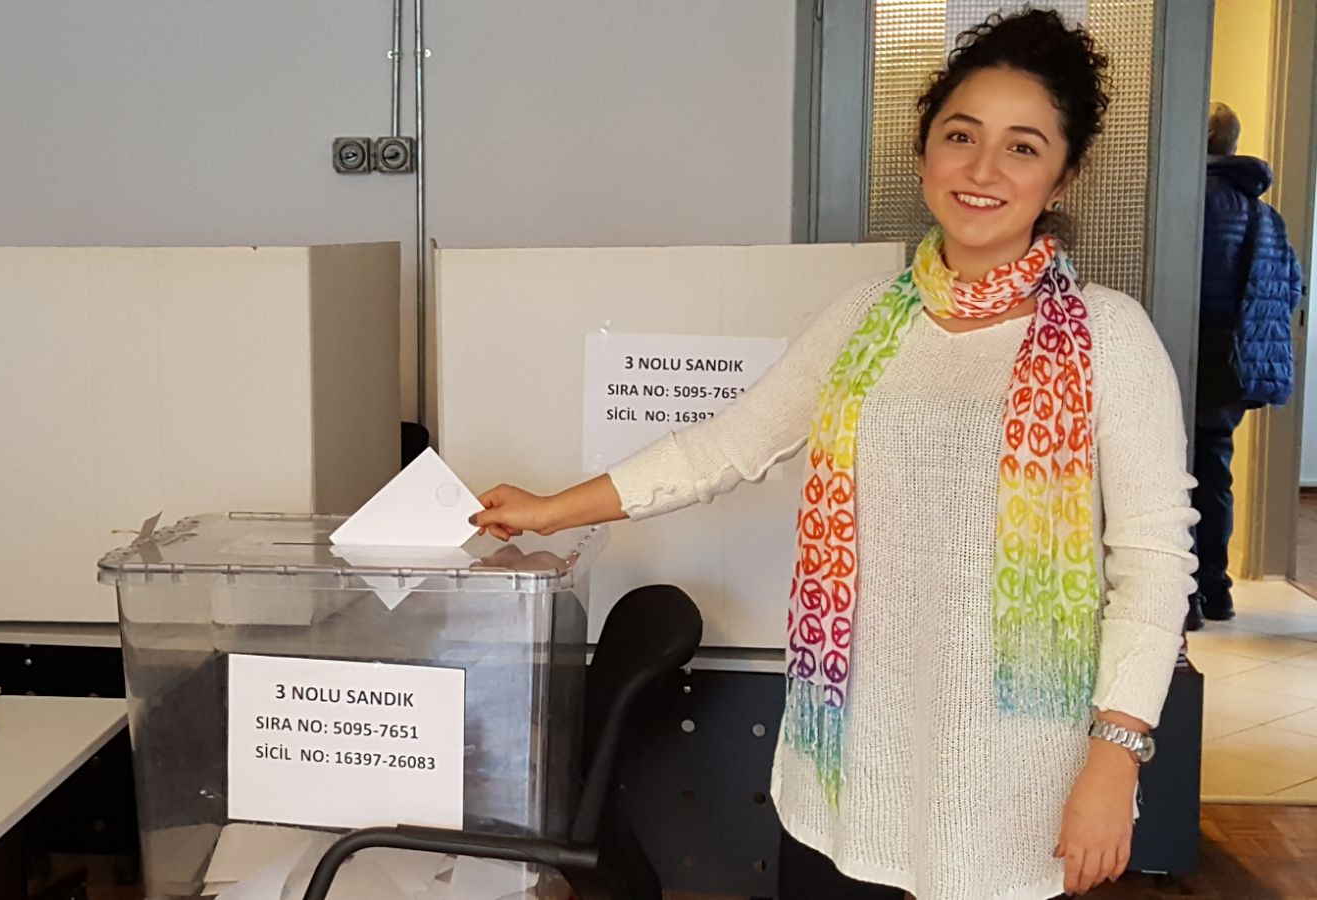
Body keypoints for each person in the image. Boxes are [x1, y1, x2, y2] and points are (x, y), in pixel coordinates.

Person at [469, 11, 1196, 900]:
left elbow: (1154, 561)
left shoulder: (1109, 338)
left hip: (1019, 782)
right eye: (961, 135)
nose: (982, 169)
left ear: (1062, 176)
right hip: (851, 765)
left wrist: (1116, 757)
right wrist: (551, 510)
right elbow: (727, 446)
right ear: (923, 152)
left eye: (1022, 147)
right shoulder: (862, 322)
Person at [1186, 101, 1305, 631]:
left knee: (1172, 473)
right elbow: (1291, 287)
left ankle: (1183, 592)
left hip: (1183, 350)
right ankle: (1217, 589)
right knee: (1215, 473)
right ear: (1233, 145)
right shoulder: (1264, 216)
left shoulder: (1185, 201)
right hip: (1235, 364)